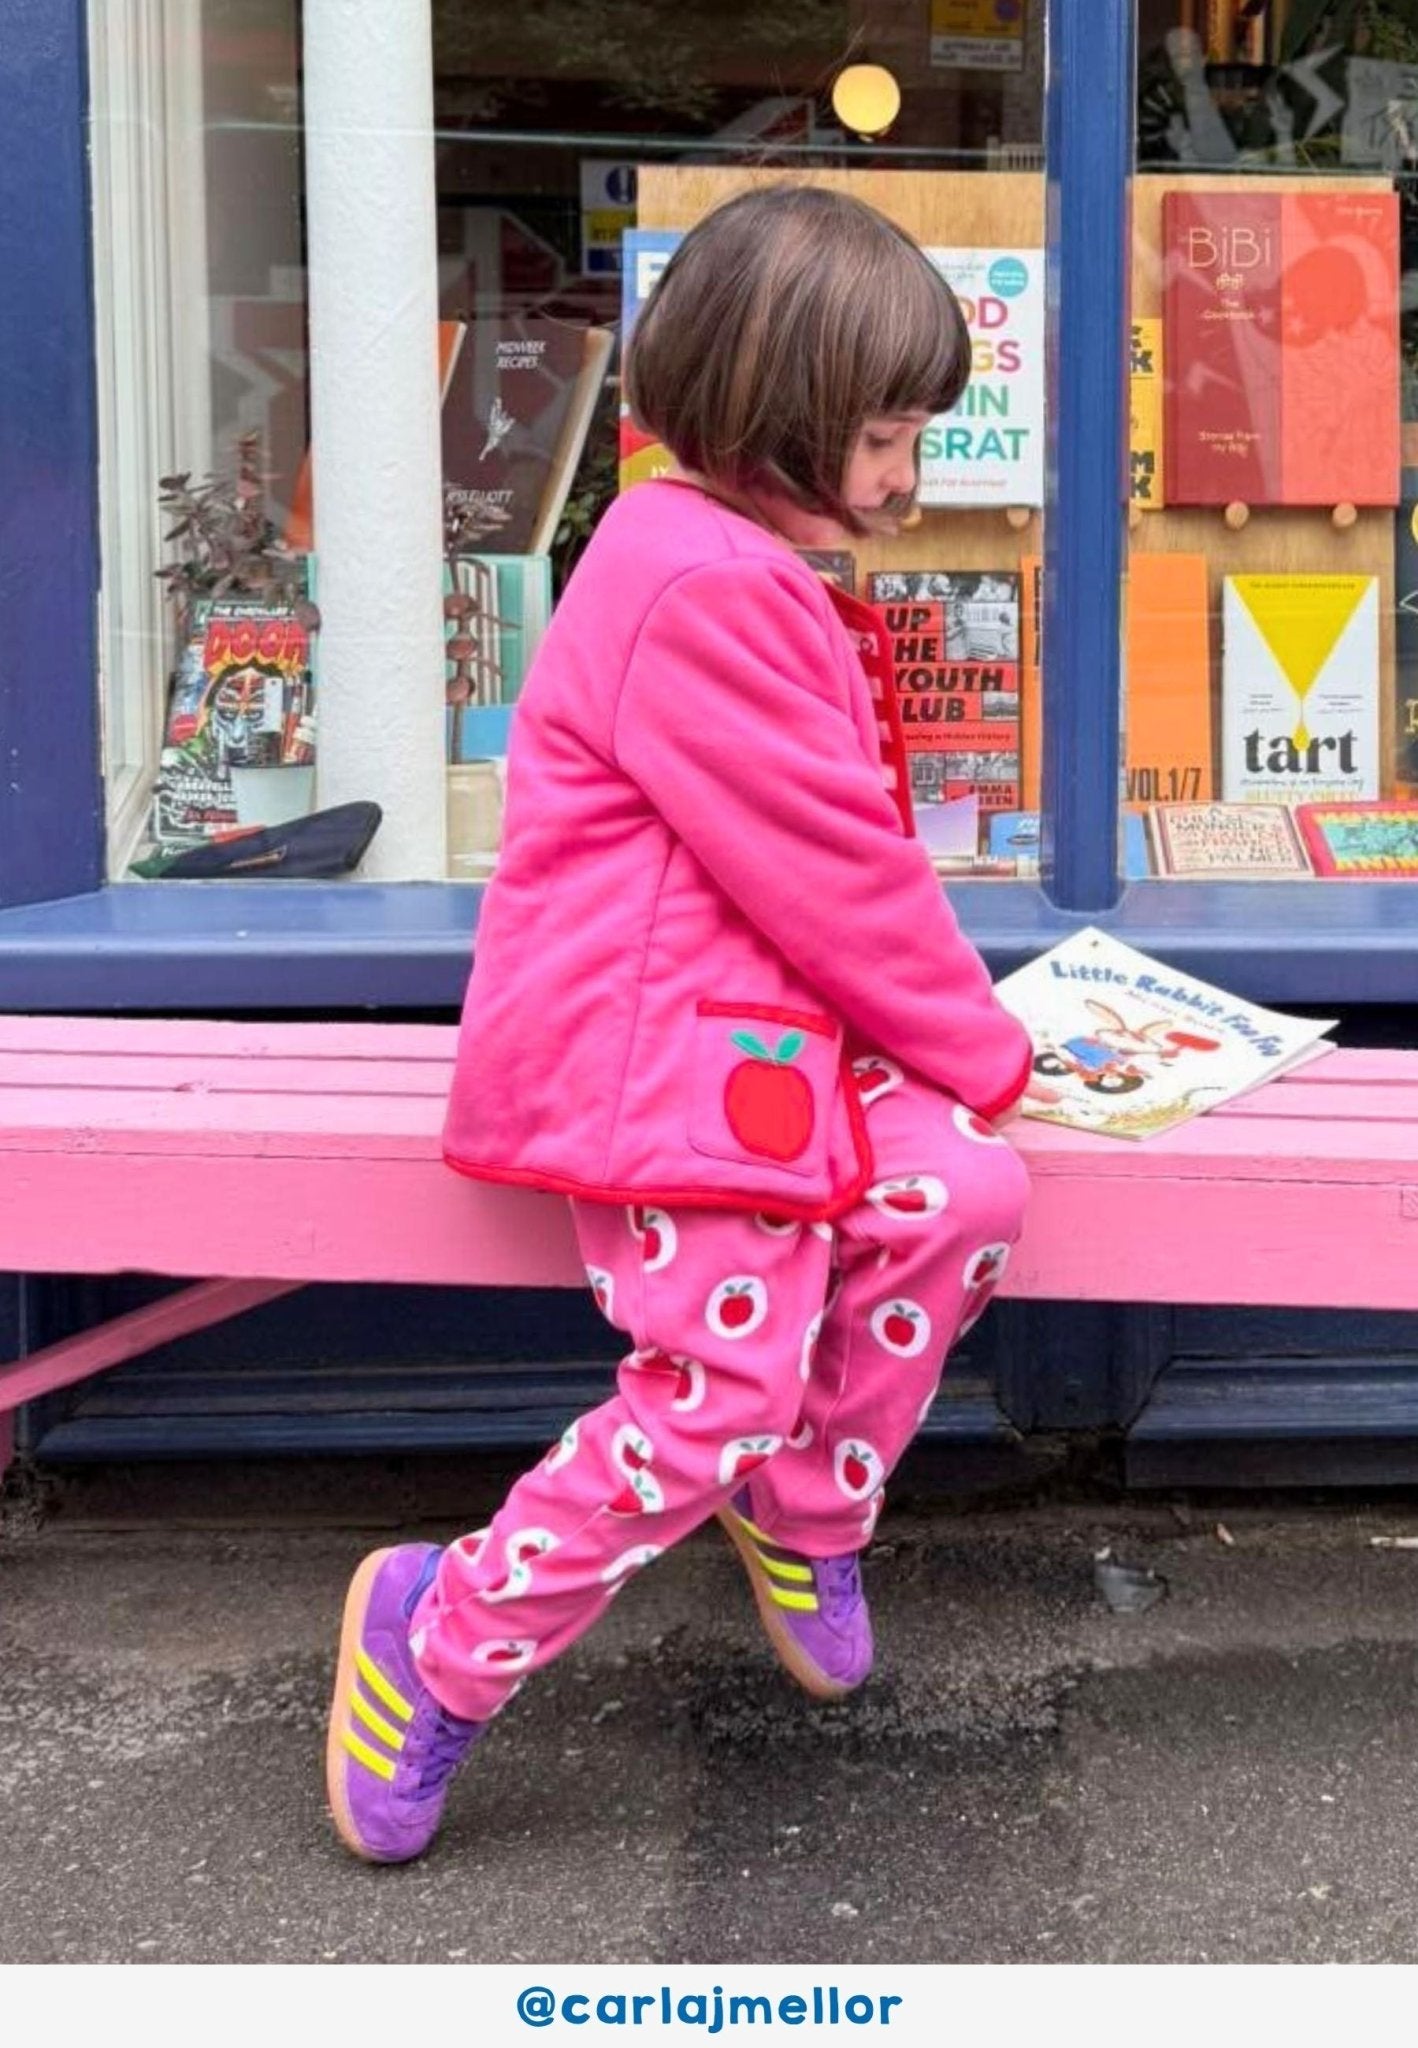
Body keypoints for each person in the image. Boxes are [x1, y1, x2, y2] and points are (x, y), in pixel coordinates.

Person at [325, 183, 1034, 1866]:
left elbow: (829, 878)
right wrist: (989, 1049)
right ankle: (433, 1640)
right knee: (715, 1388)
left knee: (966, 1198)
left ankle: (800, 1516)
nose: (903, 478)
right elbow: (838, 873)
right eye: (881, 435)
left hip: (765, 1037)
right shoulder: (703, 585)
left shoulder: (723, 551)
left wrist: (963, 1063)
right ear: (774, 414)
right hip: (667, 1064)